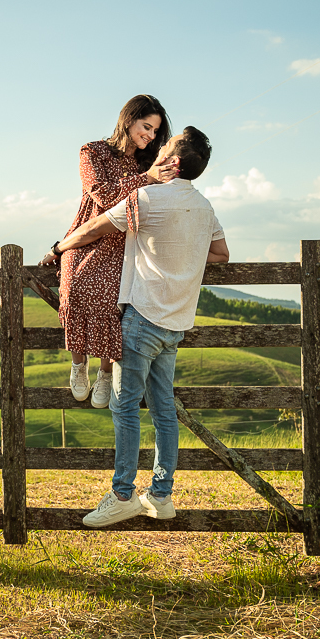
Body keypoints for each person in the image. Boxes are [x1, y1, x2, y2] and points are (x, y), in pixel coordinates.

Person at [40, 126, 229, 527]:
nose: (160, 147)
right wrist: (184, 257)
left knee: (124, 408)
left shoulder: (145, 198)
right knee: (164, 412)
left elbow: (93, 230)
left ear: (173, 162)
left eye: (168, 144)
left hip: (143, 318)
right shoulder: (205, 206)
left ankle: (122, 494)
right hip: (176, 324)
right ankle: (161, 495)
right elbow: (220, 253)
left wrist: (58, 247)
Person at [46, 95, 179, 409]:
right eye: (145, 126)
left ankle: (106, 373)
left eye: (155, 132)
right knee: (73, 289)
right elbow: (104, 195)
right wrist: (147, 179)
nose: (149, 135)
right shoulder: (92, 151)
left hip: (125, 241)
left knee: (113, 304)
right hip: (87, 234)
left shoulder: (149, 162)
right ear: (128, 119)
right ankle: (79, 365)